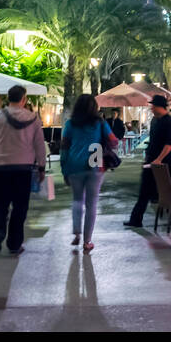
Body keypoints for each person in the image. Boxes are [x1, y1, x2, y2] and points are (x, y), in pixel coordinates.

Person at [0, 84, 48, 255]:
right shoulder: (33, 118)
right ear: (24, 99)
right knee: (20, 206)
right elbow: (40, 145)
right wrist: (41, 166)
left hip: (0, 168)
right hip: (23, 169)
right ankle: (14, 243)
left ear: (8, 98)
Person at [61, 93, 117, 253]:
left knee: (77, 200)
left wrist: (64, 168)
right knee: (91, 204)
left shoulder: (70, 124)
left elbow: (64, 147)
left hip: (74, 164)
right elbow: (113, 141)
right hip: (95, 164)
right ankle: (87, 241)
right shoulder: (100, 123)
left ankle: (77, 232)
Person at [125, 96, 171, 227]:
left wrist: (159, 159)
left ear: (160, 106)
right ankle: (136, 219)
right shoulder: (155, 121)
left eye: (153, 106)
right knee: (145, 190)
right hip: (151, 161)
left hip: (164, 163)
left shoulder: (169, 123)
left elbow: (169, 144)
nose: (151, 108)